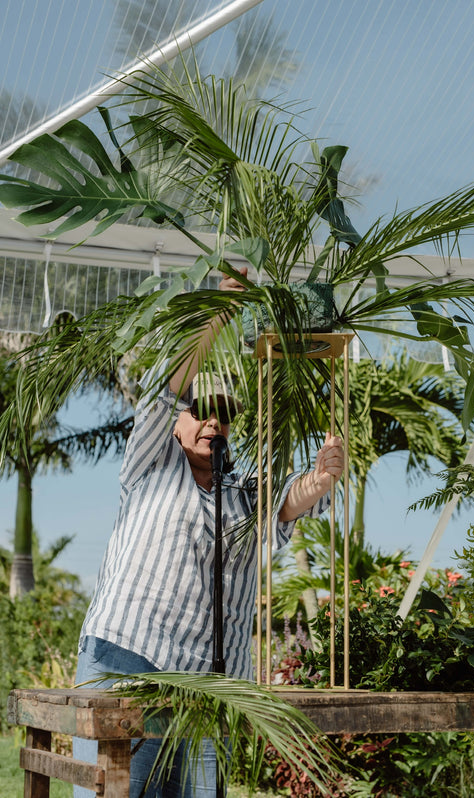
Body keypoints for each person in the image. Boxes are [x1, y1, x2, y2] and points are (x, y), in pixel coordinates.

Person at [73, 267, 344, 798]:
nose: (210, 423)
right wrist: (218, 315)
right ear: (177, 419)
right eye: (199, 410)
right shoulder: (152, 464)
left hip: (210, 685)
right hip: (130, 657)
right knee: (117, 792)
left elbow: (286, 502)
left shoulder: (242, 492)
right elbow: (161, 391)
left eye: (223, 413)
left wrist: (322, 477)